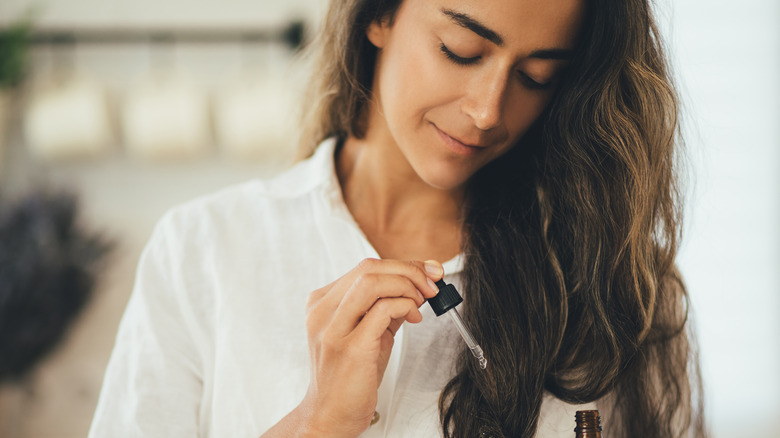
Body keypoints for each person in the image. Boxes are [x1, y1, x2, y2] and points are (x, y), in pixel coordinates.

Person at [89, 0, 707, 436]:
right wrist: (318, 423)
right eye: (461, 50)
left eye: (535, 76)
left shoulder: (617, 286)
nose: (489, 110)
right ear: (380, 14)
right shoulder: (204, 249)